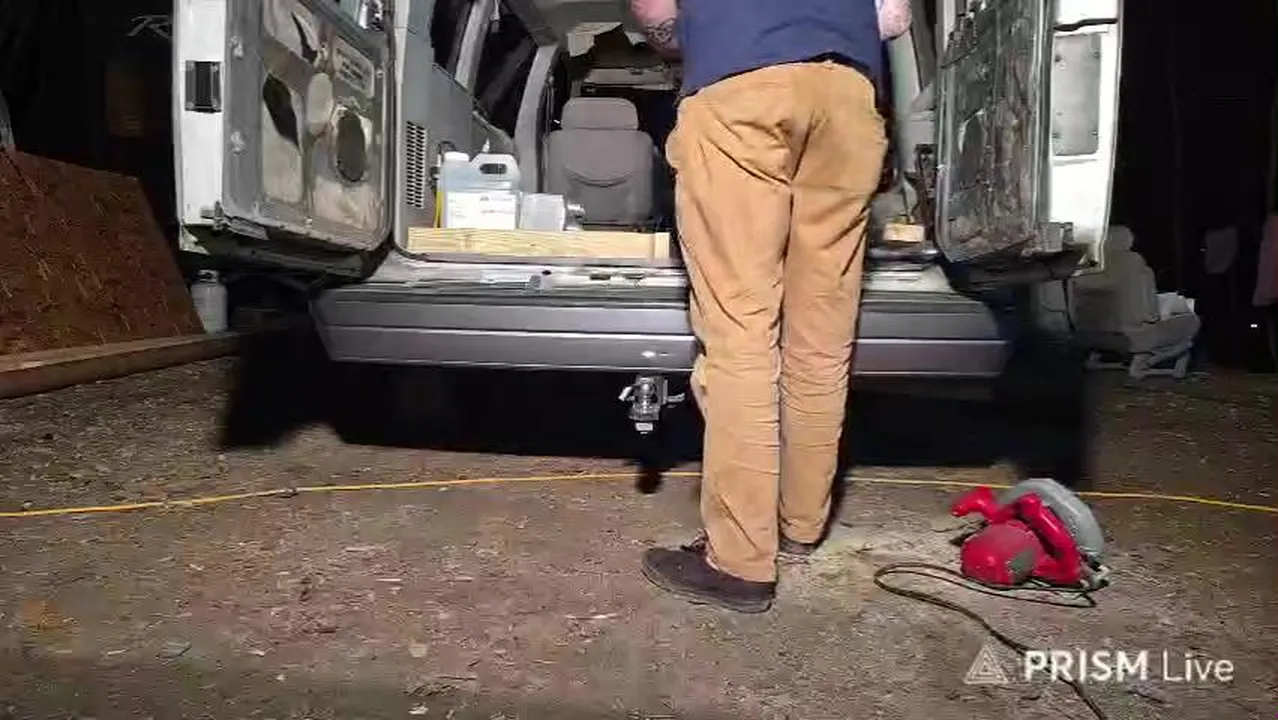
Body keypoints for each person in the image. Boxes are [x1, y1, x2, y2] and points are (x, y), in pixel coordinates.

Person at [629, 0, 913, 613]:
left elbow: (655, 12)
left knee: (741, 331)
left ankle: (739, 562)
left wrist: (694, 35)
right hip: (849, 96)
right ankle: (800, 526)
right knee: (822, 335)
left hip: (742, 86)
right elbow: (894, 19)